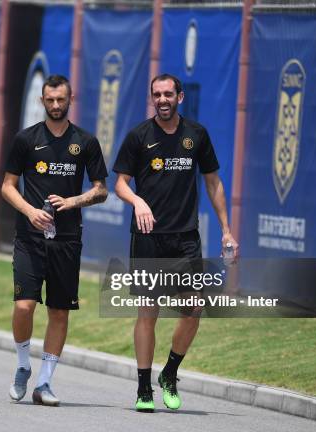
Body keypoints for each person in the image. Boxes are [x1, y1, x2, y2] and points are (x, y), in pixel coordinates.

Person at [113, 73, 238, 412]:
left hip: (185, 238)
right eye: (157, 94)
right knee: (148, 313)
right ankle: (143, 389)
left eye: (169, 93)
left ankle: (169, 374)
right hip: (148, 239)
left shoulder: (196, 135)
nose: (163, 99)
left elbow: (213, 182)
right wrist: (137, 201)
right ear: (152, 98)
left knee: (194, 308)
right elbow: (120, 184)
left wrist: (226, 228)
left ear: (180, 97)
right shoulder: (139, 136)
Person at [1, 74, 108, 406]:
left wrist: (73, 201)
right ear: (42, 100)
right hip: (30, 237)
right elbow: (7, 186)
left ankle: (45, 383)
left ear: (70, 99)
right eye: (50, 100)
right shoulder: (25, 139)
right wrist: (31, 211)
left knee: (59, 312)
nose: (56, 105)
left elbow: (101, 189)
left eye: (61, 100)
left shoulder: (86, 142)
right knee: (24, 306)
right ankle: (22, 365)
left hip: (68, 239)